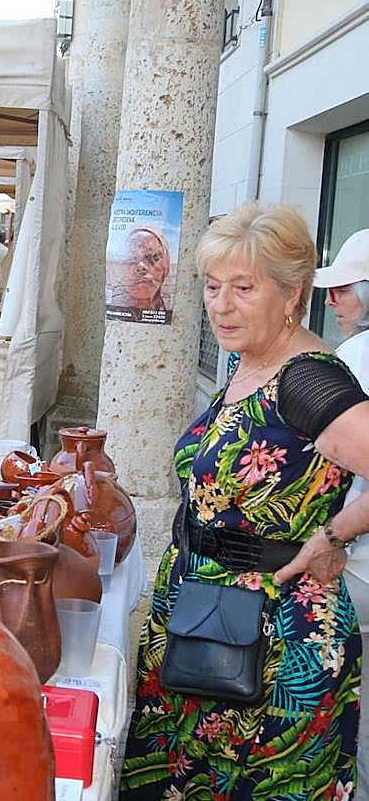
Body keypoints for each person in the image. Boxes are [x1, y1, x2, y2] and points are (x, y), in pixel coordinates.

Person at [120, 203, 368, 799]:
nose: (220, 305)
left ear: (292, 294)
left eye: (243, 288)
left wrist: (335, 534)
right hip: (203, 618)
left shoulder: (309, 379)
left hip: (276, 641)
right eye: (211, 286)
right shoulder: (249, 361)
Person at [312, 227, 369, 798]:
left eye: (344, 288)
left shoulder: (355, 356)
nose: (331, 300)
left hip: (355, 561)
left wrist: (331, 534)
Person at [109, 225, 170, 317]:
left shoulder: (174, 308)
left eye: (154, 257)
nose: (141, 266)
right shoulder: (111, 307)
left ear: (166, 265)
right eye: (131, 259)